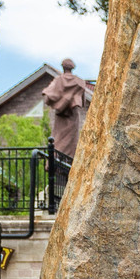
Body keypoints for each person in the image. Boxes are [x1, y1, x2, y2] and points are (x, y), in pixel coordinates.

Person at [40, 59, 91, 214]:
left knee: (57, 142)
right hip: (72, 118)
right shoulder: (79, 82)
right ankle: (65, 169)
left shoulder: (58, 80)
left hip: (62, 118)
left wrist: (60, 101)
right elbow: (81, 100)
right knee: (68, 144)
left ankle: (60, 168)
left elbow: (48, 98)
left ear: (63, 67)